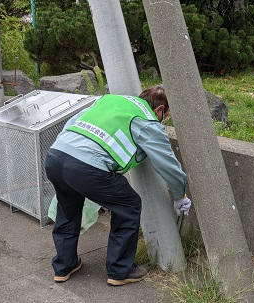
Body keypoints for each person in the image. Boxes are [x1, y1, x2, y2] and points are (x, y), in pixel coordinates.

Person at [44, 85, 191, 286]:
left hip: (56, 156)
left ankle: (63, 266)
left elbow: (72, 123)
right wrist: (180, 194)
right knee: (129, 205)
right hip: (85, 166)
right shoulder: (148, 120)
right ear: (160, 109)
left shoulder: (110, 100)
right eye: (166, 115)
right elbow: (168, 165)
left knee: (68, 210)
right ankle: (120, 271)